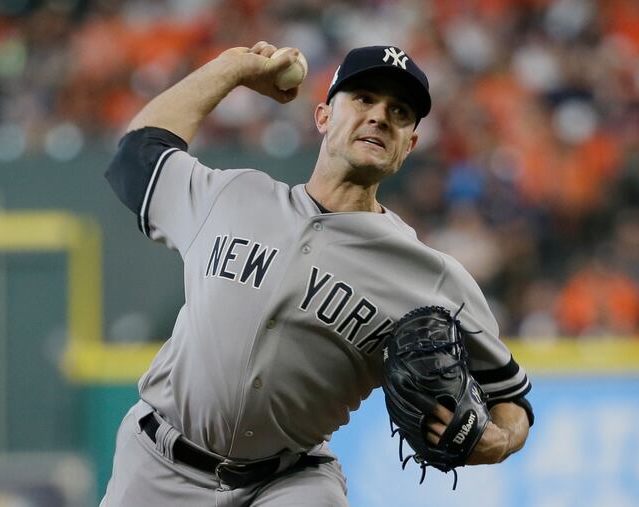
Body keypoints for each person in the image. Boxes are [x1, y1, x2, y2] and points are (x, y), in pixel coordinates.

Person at [101, 41, 534, 506]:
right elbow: (135, 154)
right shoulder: (231, 197)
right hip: (157, 464)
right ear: (323, 117)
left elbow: (512, 400)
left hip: (287, 482)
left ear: (408, 146)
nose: (379, 116)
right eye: (363, 99)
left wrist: (501, 440)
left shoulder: (430, 277)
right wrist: (231, 69)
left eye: (400, 112)